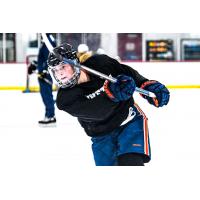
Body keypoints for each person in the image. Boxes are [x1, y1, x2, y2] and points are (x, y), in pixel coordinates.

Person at [47, 43, 170, 166]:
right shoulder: (65, 100)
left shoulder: (101, 63)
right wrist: (112, 93)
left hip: (129, 121)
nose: (60, 73)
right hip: (101, 136)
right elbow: (97, 112)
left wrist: (145, 84)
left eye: (63, 66)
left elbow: (126, 72)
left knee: (130, 163)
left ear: (75, 63)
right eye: (55, 70)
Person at [36, 34, 57, 126]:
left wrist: (45, 70)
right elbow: (43, 58)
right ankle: (49, 115)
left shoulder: (48, 40)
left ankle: (50, 116)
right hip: (43, 73)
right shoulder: (46, 39)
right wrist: (35, 64)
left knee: (47, 95)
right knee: (46, 95)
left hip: (46, 74)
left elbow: (50, 57)